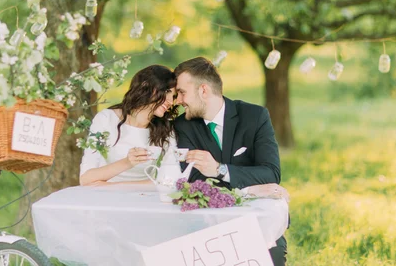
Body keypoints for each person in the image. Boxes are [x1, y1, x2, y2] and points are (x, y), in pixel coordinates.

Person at [173, 57, 288, 266]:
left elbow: (271, 174)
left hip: (253, 217)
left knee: (274, 253)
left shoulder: (254, 116)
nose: (178, 100)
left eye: (182, 92)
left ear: (203, 90)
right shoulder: (184, 126)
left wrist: (220, 170)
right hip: (205, 220)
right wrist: (249, 190)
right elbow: (194, 183)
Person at [79, 65, 178, 185]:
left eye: (173, 96)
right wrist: (127, 162)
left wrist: (112, 186)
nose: (170, 102)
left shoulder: (166, 129)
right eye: (167, 92)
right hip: (105, 198)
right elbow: (85, 178)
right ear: (146, 86)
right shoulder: (106, 119)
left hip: (143, 198)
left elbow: (169, 180)